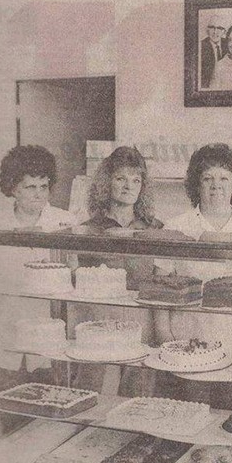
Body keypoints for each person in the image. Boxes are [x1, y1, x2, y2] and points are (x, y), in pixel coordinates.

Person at [154, 143, 232, 407]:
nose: (216, 186)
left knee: (229, 413)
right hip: (187, 340)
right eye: (207, 179)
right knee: (191, 412)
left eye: (224, 178)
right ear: (196, 185)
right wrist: (166, 338)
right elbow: (160, 287)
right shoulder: (178, 226)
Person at [0, 145, 75, 443]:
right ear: (12, 188)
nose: (38, 194)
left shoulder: (64, 223)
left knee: (49, 424)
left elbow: (71, 276)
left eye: (44, 186)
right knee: (7, 422)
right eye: (29, 186)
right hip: (3, 339)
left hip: (48, 344)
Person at [71, 146, 163, 395]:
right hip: (101, 318)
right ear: (106, 182)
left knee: (139, 389)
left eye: (136, 180)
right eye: (120, 178)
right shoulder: (89, 228)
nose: (128, 186)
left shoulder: (155, 228)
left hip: (142, 317)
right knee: (95, 385)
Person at [200, 14, 227, 89]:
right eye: (212, 27)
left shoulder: (228, 45)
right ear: (207, 30)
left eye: (219, 28)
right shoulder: (201, 46)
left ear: (224, 32)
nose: (215, 32)